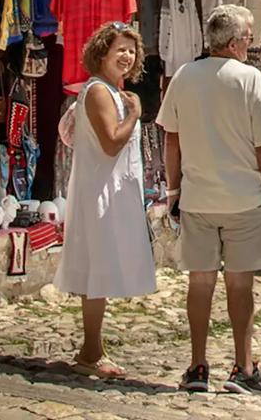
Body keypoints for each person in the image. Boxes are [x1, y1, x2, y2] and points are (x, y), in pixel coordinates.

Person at [158, 4, 261, 395]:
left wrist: (174, 190)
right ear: (233, 43)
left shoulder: (184, 77)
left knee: (199, 285)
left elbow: (172, 140)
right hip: (243, 199)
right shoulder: (250, 80)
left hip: (198, 198)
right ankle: (243, 367)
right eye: (249, 38)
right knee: (240, 288)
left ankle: (197, 366)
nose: (251, 44)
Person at [55, 23, 157, 379]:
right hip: (99, 188)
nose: (127, 56)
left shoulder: (113, 92)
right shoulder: (99, 92)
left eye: (131, 50)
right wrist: (134, 114)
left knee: (100, 269)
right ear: (102, 53)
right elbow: (112, 141)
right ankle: (91, 352)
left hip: (111, 187)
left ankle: (92, 348)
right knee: (96, 270)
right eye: (120, 49)